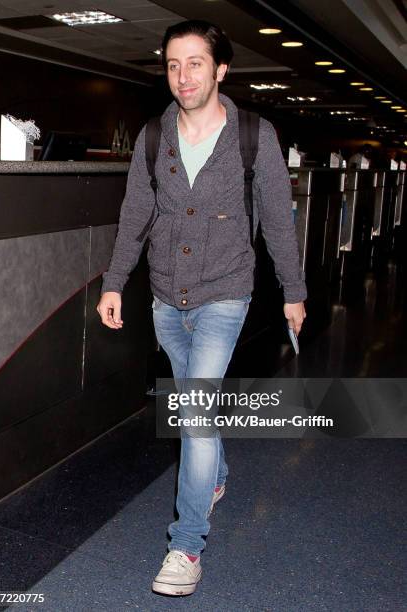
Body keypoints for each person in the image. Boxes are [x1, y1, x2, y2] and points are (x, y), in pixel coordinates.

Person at [97, 19, 307, 597]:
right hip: (167, 298)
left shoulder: (253, 136)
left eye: (195, 63)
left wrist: (294, 291)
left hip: (224, 293)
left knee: (193, 416)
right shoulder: (151, 138)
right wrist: (115, 281)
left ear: (220, 69)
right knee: (200, 417)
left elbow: (278, 223)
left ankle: (186, 546)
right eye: (172, 64)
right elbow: (136, 214)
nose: (182, 76)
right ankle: (214, 474)